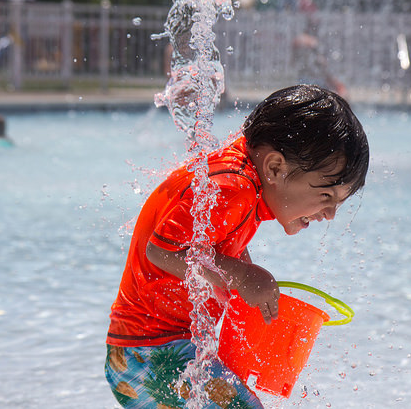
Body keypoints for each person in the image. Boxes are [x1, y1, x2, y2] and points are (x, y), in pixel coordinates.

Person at [105, 84, 369, 408]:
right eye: (326, 196)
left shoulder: (244, 180)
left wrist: (242, 290)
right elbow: (161, 251)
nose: (329, 215)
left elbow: (214, 245)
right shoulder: (233, 187)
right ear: (274, 167)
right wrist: (241, 276)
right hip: (147, 352)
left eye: (338, 203)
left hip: (152, 348)